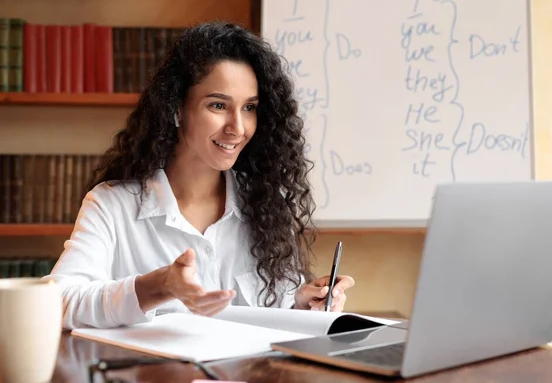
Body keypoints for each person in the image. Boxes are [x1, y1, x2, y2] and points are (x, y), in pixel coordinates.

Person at [42, 21, 355, 329]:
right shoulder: (111, 204)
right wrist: (158, 286)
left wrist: (300, 304)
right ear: (177, 109)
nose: (238, 128)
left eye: (249, 108)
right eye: (218, 105)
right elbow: (57, 301)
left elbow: (273, 311)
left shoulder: (265, 203)